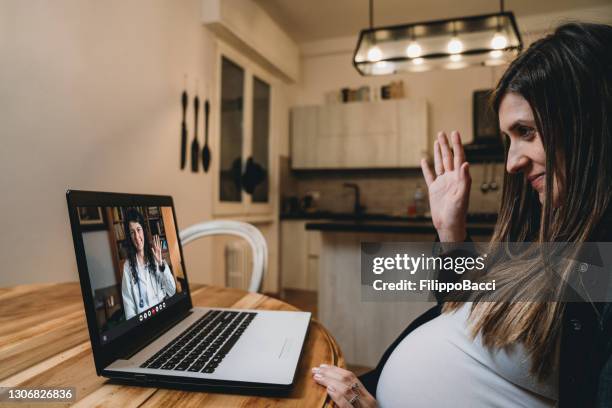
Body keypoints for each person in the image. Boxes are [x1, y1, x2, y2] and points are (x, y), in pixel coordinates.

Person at [311, 22, 612, 407]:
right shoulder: (560, 232)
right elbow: (461, 307)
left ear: (588, 122)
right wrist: (450, 229)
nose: (511, 163)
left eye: (527, 131)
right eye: (509, 138)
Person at [121, 208, 176, 319]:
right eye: (132, 232)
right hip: (144, 323)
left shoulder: (156, 257)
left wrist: (161, 264)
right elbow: (129, 308)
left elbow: (172, 291)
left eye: (138, 229)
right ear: (129, 237)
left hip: (164, 315)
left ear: (144, 231)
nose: (137, 237)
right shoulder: (127, 267)